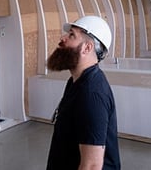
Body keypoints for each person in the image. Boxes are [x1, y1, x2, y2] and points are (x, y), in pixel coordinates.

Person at [46, 15, 120, 170]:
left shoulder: (91, 94)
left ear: (87, 47)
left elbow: (92, 165)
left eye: (72, 35)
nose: (63, 38)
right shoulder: (76, 82)